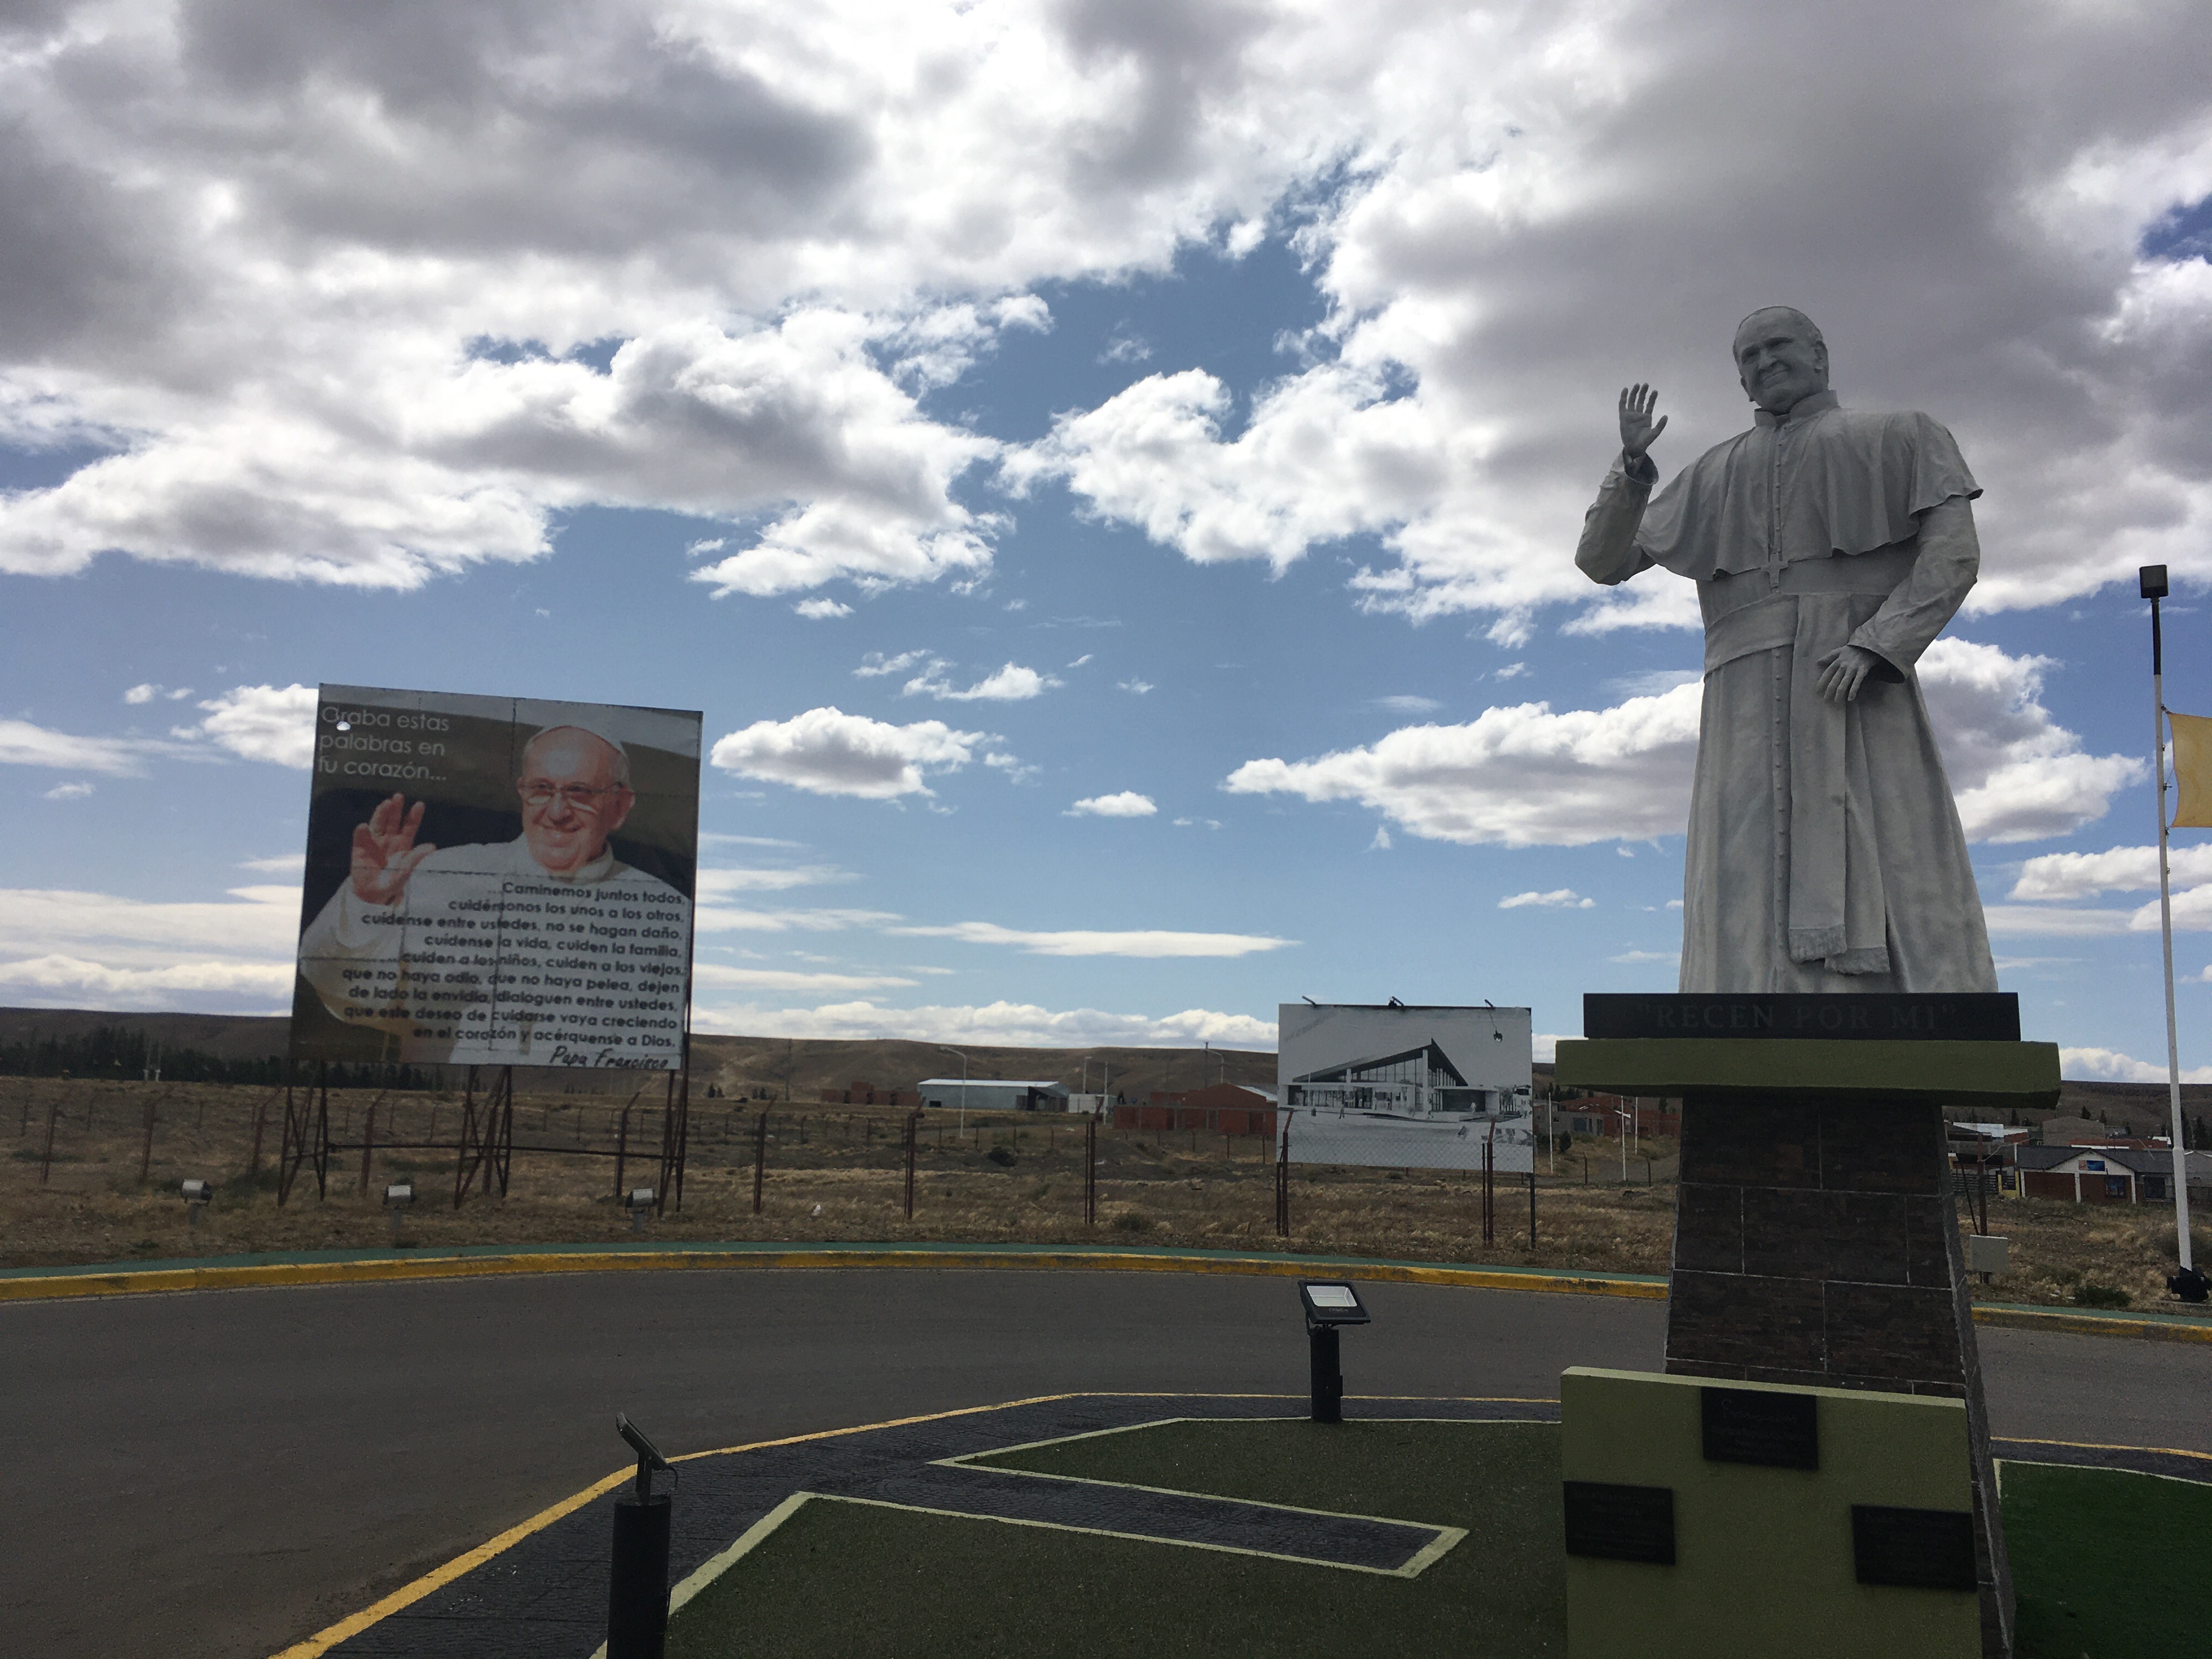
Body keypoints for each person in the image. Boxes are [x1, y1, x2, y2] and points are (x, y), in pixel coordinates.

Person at [1575, 307, 1997, 992]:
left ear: (1820, 354)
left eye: (1778, 346)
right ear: (1740, 379)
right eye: (1749, 356)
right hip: (1739, 696)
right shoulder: (1710, 473)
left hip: (1852, 677)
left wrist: (1879, 644)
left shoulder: (1904, 435)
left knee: (1885, 835)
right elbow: (1602, 561)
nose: (1764, 362)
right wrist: (1631, 470)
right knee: (1741, 862)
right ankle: (1740, 992)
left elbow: (1952, 556)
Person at [297, 725, 691, 1065]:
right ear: (522, 792)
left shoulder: (668, 915)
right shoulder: (437, 874)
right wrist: (367, 904)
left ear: (620, 806)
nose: (557, 812)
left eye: (580, 792)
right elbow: (349, 999)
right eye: (541, 789)